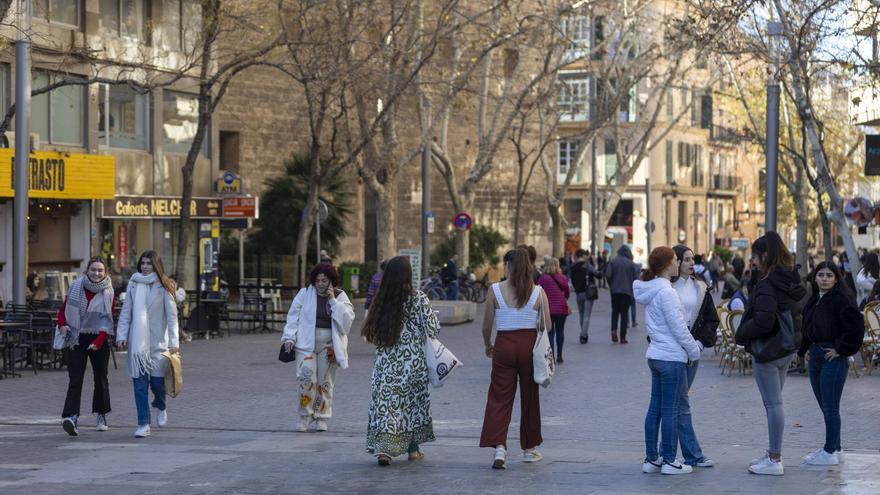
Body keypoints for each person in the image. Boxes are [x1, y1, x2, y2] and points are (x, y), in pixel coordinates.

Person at [734, 232, 806, 475]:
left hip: (768, 350)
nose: (752, 261)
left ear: (765, 255)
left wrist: (742, 333)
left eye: (754, 256)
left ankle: (775, 459)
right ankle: (773, 453)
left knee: (773, 404)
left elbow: (763, 320)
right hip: (785, 348)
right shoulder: (790, 279)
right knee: (774, 404)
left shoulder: (767, 284)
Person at [363, 256, 440, 466]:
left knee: (387, 406)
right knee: (412, 405)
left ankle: (384, 452)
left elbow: (372, 332)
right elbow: (433, 329)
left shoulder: (381, 300)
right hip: (414, 362)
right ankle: (413, 451)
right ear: (409, 275)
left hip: (387, 363)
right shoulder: (419, 299)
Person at [480, 248, 551, 469]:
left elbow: (486, 325)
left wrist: (488, 345)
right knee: (530, 397)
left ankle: (499, 447)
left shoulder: (495, 290)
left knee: (499, 397)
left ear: (507, 266)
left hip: (503, 346)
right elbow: (546, 325)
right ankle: (530, 449)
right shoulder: (538, 292)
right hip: (529, 347)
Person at [634, 246, 702, 476]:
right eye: (674, 260)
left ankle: (652, 458)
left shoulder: (652, 289)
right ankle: (670, 460)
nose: (677, 263)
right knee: (670, 410)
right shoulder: (667, 292)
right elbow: (679, 329)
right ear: (665, 266)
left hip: (656, 355)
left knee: (655, 409)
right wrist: (694, 352)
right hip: (671, 357)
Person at [798, 261, 865, 466]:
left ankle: (829, 452)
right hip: (816, 355)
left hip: (833, 359)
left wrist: (841, 349)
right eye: (821, 275)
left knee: (831, 407)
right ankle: (836, 448)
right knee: (825, 405)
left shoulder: (842, 300)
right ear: (815, 278)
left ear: (836, 278)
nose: (824, 279)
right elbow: (808, 327)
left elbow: (856, 329)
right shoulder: (814, 299)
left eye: (829, 275)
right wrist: (803, 351)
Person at [282, 263, 355, 433]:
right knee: (306, 379)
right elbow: (293, 316)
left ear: (332, 280)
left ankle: (322, 416)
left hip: (329, 346)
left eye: (324, 280)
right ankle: (304, 415)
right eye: (318, 280)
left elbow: (346, 323)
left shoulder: (341, 296)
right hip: (305, 345)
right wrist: (289, 337)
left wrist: (333, 301)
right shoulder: (304, 294)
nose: (321, 284)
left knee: (325, 383)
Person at [116, 251, 180, 438]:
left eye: (148, 264)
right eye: (142, 263)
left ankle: (161, 405)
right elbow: (126, 312)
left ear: (156, 266)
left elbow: (172, 318)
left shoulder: (164, 286)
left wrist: (174, 343)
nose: (144, 267)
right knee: (139, 385)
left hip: (159, 344)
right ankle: (143, 423)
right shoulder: (134, 283)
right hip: (137, 345)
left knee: (157, 384)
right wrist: (121, 335)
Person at [57, 256, 116, 436]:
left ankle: (101, 414)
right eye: (93, 269)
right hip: (76, 338)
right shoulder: (76, 287)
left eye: (100, 270)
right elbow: (63, 311)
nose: (96, 273)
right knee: (75, 379)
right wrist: (62, 325)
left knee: (101, 379)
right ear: (87, 271)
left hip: (98, 339)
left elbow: (108, 320)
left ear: (105, 272)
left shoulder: (108, 292)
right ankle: (71, 417)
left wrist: (98, 342)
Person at [670, 245, 715, 469]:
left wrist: (699, 343)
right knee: (680, 403)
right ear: (675, 262)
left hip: (693, 351)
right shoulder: (666, 286)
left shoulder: (701, 288)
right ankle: (691, 455)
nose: (691, 263)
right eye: (686, 259)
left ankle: (663, 453)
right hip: (671, 352)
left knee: (677, 402)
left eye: (692, 259)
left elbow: (711, 319)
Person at [537, 258, 570, 363]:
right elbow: (567, 293)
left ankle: (552, 358)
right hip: (561, 309)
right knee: (560, 331)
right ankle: (560, 355)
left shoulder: (543, 278)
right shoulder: (563, 278)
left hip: (548, 309)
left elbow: (538, 291)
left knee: (550, 333)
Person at [605, 245, 638, 344]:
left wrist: (611, 285)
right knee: (624, 314)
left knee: (615, 312)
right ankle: (623, 337)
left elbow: (608, 275)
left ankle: (613, 330)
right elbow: (635, 278)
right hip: (627, 292)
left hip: (615, 291)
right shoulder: (631, 264)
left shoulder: (613, 261)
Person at [569, 249, 602, 344]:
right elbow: (598, 275)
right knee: (586, 315)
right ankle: (583, 335)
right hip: (588, 292)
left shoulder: (573, 266)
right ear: (583, 255)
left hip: (578, 293)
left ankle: (584, 332)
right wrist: (596, 264)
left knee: (581, 314)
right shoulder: (586, 265)